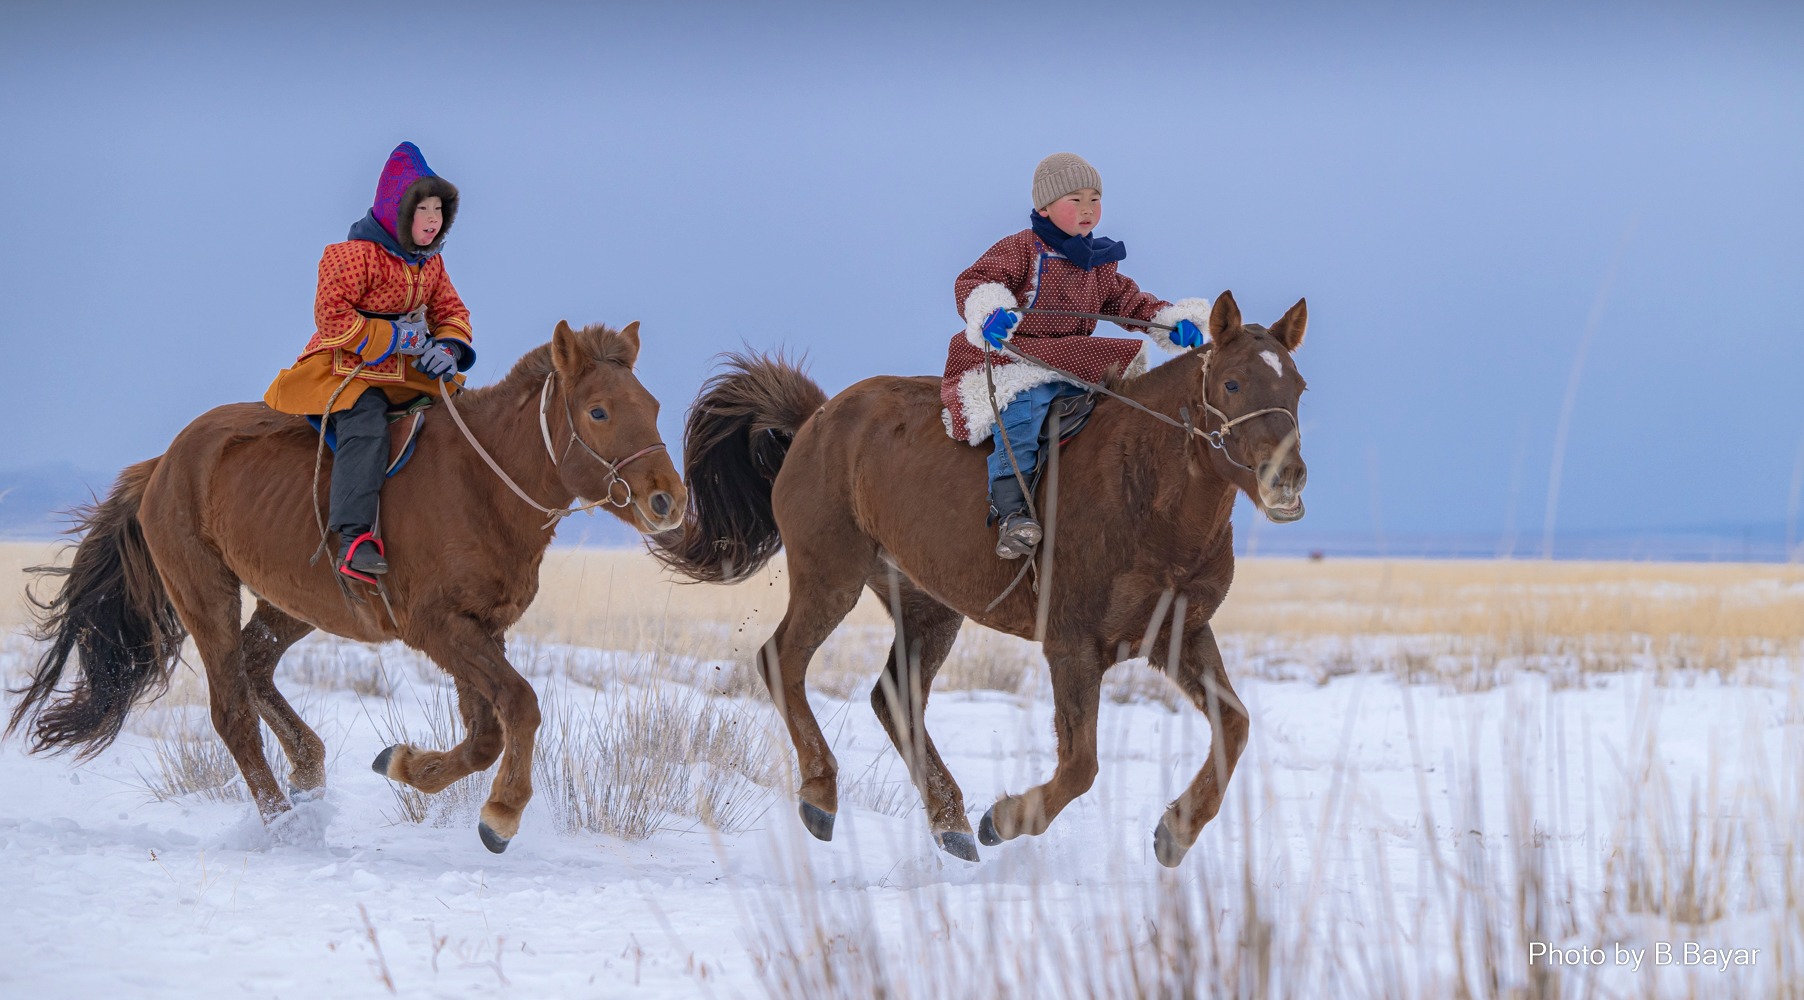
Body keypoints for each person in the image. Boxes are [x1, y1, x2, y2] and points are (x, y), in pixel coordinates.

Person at [940, 152, 1212, 558]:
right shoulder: (1020, 249)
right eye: (1075, 200)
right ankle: (1012, 513)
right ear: (1044, 208)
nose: (1088, 209)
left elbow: (1127, 300)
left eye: (1095, 199)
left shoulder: (1097, 262)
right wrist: (990, 311)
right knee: (1021, 411)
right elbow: (976, 280)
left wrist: (1168, 321)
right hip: (1015, 356)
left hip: (1074, 359)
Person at [264, 142, 476, 583]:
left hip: (410, 374)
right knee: (366, 423)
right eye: (423, 209)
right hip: (346, 367)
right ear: (399, 211)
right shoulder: (350, 256)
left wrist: (449, 348)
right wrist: (394, 335)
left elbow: (452, 312)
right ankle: (354, 540)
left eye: (439, 209)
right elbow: (331, 316)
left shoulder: (431, 265)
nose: (433, 219)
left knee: (464, 417)